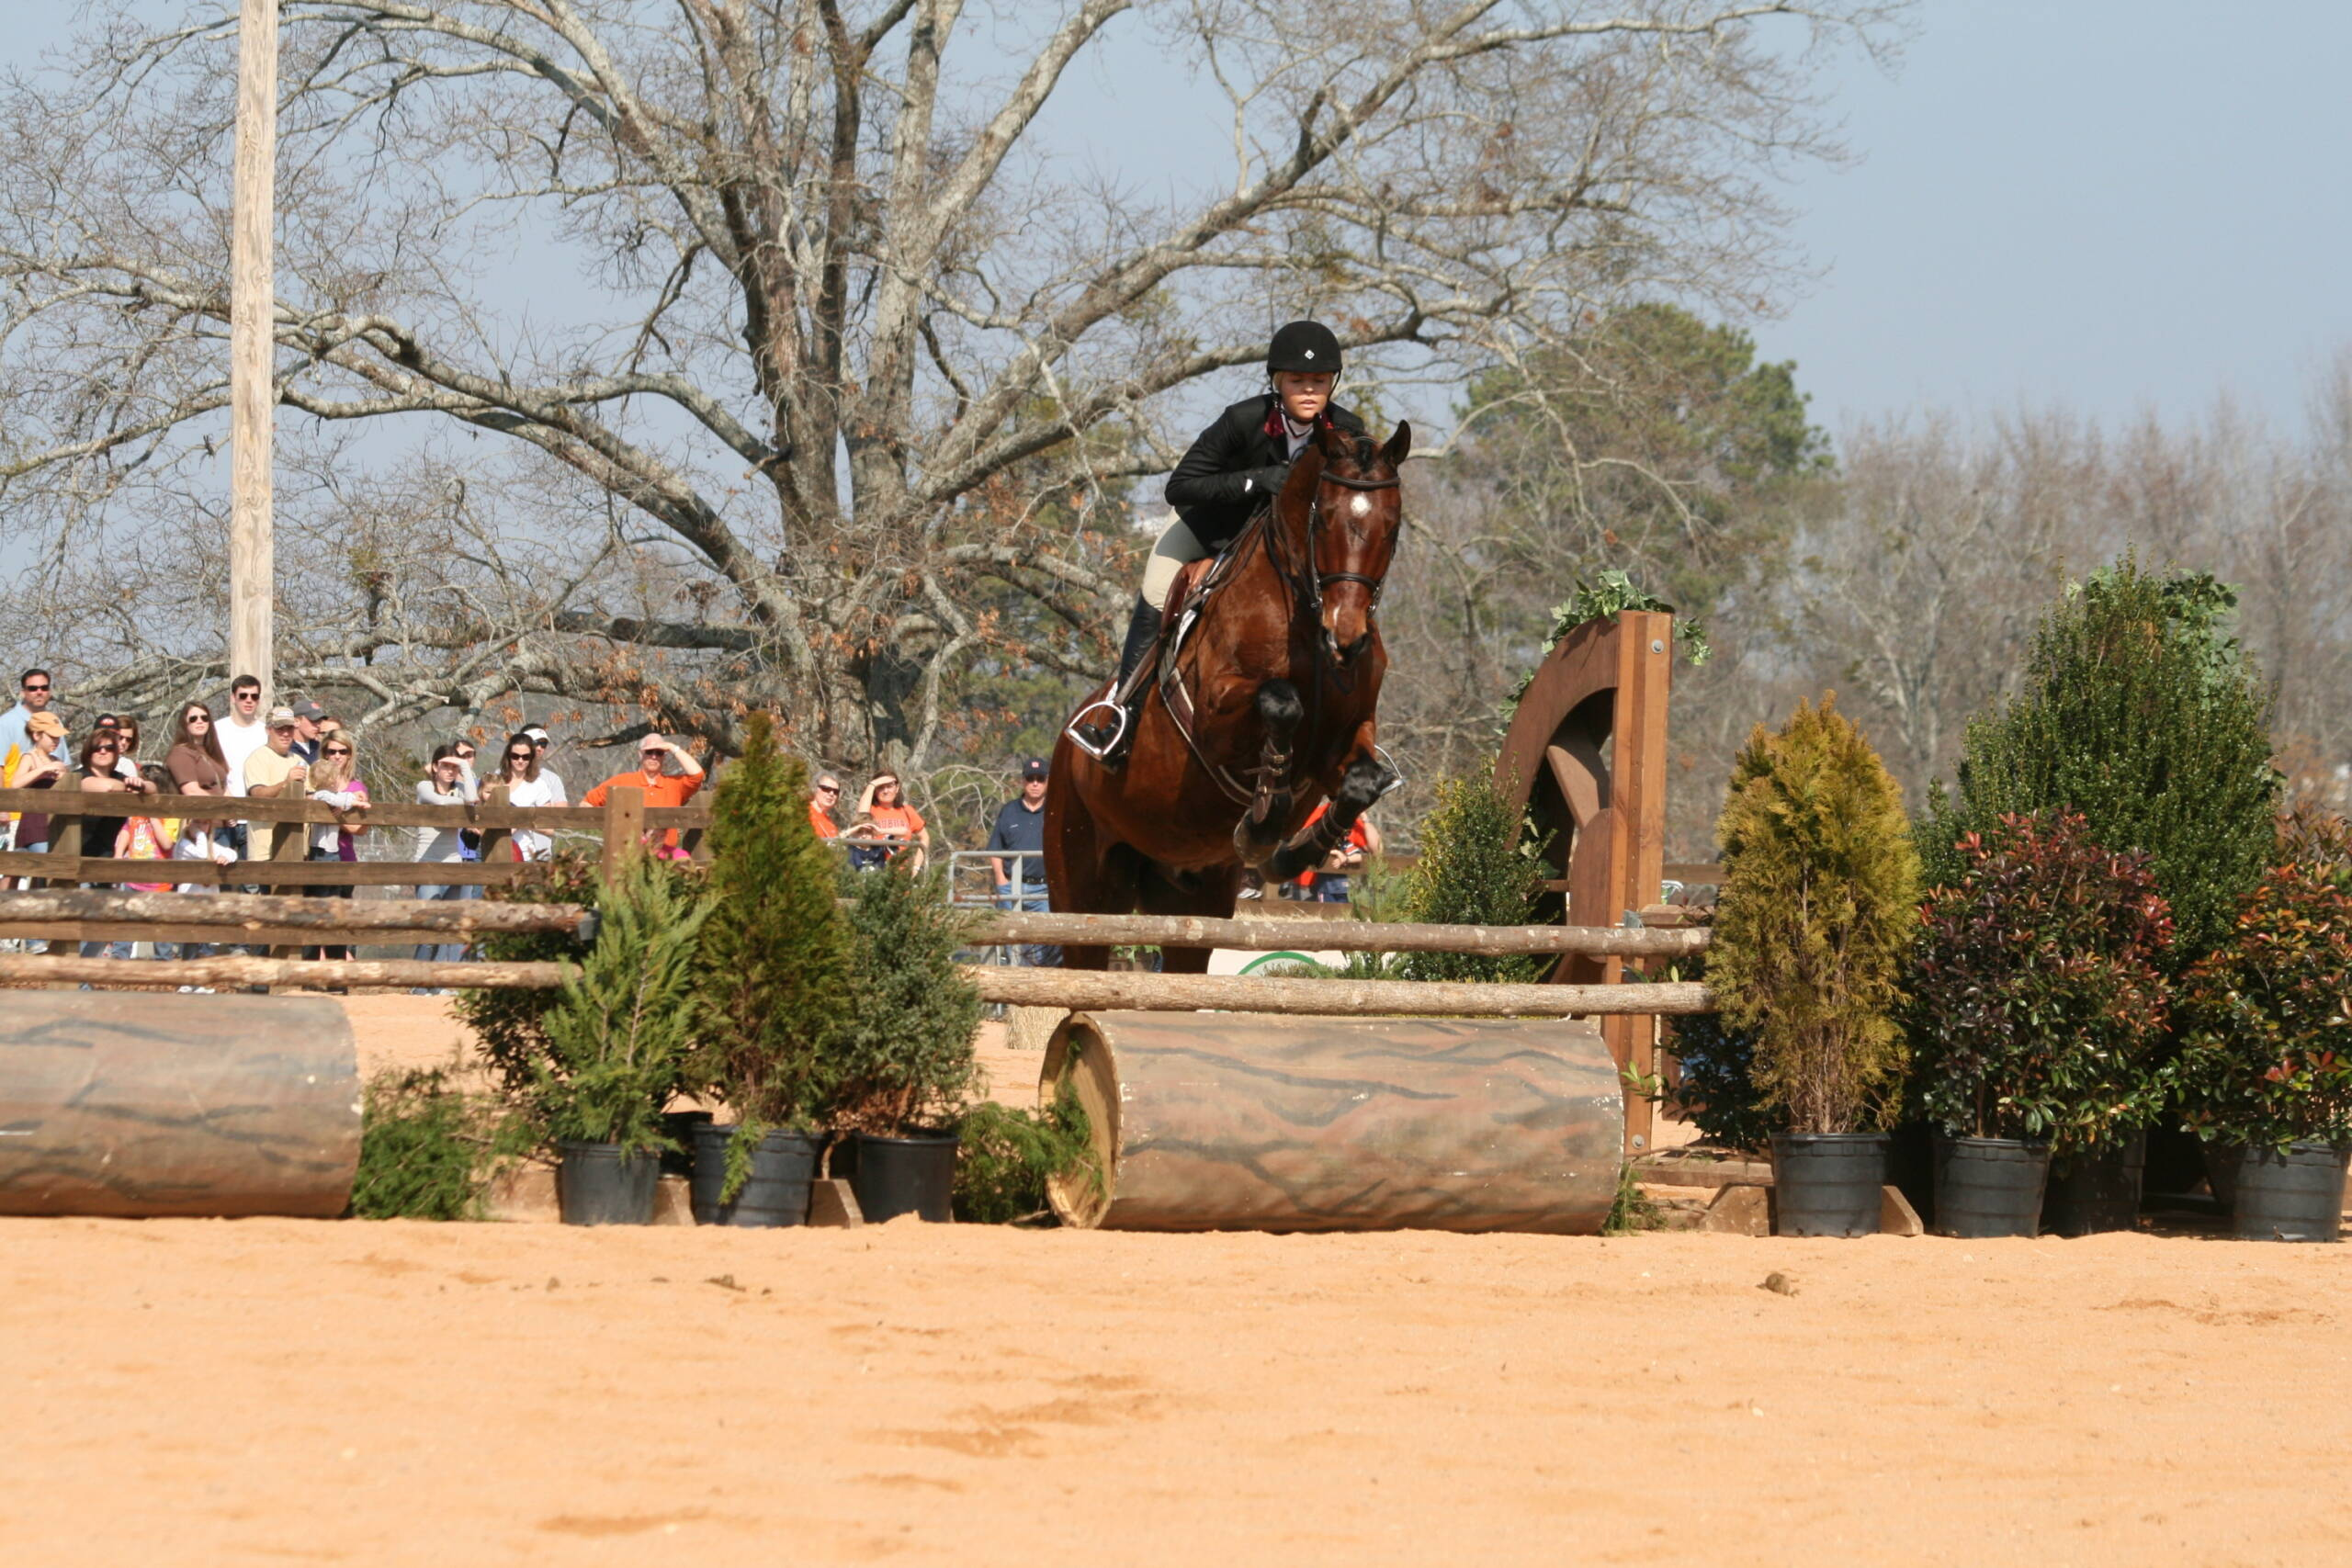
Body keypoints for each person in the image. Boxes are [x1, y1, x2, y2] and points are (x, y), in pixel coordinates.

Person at [1070, 321, 1369, 758]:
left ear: (1332, 384)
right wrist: (1256, 481)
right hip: (1211, 529)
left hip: (1296, 546)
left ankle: (1351, 727)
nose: (1309, 390)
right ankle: (1123, 717)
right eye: (1297, 381)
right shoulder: (1243, 419)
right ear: (1278, 382)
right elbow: (1181, 486)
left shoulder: (1348, 430)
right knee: (1156, 590)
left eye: (1318, 381)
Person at [163, 702, 239, 965]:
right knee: (194, 901)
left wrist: (232, 810)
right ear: (184, 723)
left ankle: (204, 970)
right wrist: (223, 806)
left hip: (219, 829)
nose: (199, 721)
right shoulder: (180, 753)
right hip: (198, 831)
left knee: (212, 904)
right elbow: (191, 790)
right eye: (192, 717)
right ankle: (188, 971)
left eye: (204, 717)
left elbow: (224, 786)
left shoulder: (211, 753)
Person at [74, 731, 156, 960]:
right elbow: (103, 787)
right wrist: (128, 787)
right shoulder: (79, 776)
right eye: (97, 748)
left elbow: (153, 789)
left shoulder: (122, 777)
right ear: (88, 752)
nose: (102, 752)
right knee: (83, 926)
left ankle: (83, 981)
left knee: (104, 928)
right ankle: (75, 982)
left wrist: (140, 784)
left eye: (109, 748)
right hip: (81, 864)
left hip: (111, 863)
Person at [413, 743, 479, 983]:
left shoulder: (461, 788)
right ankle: (418, 982)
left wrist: (463, 767)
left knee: (450, 926)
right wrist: (466, 805)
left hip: (455, 864)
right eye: (445, 765)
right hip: (427, 864)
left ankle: (440, 982)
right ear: (434, 767)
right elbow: (439, 803)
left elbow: (473, 798)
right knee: (431, 926)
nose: (450, 771)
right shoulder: (424, 786)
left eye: (454, 766)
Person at [303, 728, 370, 964]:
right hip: (314, 855)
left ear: (350, 755)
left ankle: (337, 976)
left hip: (344, 857)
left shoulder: (356, 788)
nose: (337, 756)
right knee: (314, 914)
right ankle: (312, 974)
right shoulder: (312, 783)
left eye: (343, 751)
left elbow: (360, 829)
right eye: (332, 751)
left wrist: (337, 815)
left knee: (339, 917)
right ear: (324, 753)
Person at [984, 757, 1057, 966]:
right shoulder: (1009, 811)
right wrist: (1001, 881)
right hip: (1011, 886)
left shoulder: (1055, 811)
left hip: (1044, 889)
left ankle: (1042, 994)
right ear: (1022, 781)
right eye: (1030, 778)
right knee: (1013, 943)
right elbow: (996, 848)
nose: (1035, 783)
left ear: (1047, 781)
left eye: (1040, 779)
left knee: (1045, 944)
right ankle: (1017, 996)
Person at [582, 735, 707, 856]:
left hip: (665, 857)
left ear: (664, 756)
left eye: (659, 752)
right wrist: (613, 829)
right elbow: (586, 804)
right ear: (640, 754)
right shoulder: (621, 782)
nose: (654, 756)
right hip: (629, 856)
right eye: (649, 751)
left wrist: (672, 747)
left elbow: (697, 775)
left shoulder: (674, 785)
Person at [240, 707, 311, 867]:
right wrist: (286, 783)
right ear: (268, 730)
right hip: (266, 853)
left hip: (298, 850)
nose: (286, 734)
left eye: (289, 728)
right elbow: (257, 794)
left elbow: (311, 797)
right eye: (280, 729)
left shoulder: (300, 761)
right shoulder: (257, 758)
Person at [1291, 801, 1382, 903]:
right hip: (1304, 885)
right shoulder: (1314, 813)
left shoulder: (1353, 823)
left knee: (1335, 914)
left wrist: (1366, 819)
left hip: (1337, 886)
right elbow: (1296, 842)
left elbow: (1376, 851)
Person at [492, 733, 563, 860]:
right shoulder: (496, 780)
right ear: (508, 756)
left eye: (525, 757)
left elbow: (549, 829)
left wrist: (521, 822)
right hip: (494, 851)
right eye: (515, 756)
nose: (520, 760)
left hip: (524, 855)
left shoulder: (538, 785)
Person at [851, 772, 928, 872]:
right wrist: (872, 785)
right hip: (876, 871)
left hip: (902, 874)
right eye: (881, 787)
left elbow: (925, 838)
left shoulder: (907, 811)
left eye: (890, 786)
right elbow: (861, 816)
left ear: (897, 788)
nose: (885, 791)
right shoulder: (871, 810)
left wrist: (916, 867)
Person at [0, 668, 59, 766]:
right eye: (33, 688)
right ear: (23, 692)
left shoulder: (56, 721)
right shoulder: (5, 723)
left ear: (49, 691)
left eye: (44, 688)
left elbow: (64, 763)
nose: (39, 692)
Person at [522, 725, 568, 803]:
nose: (539, 748)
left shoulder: (552, 779)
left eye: (543, 744)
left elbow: (561, 811)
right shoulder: (502, 775)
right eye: (535, 743)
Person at [288, 698, 328, 763]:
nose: (318, 725)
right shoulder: (286, 749)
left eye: (319, 721)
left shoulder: (321, 748)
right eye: (314, 720)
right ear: (296, 721)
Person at [808, 773, 842, 840]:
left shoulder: (830, 824)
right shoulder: (804, 812)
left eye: (836, 792)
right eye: (826, 789)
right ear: (815, 788)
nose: (831, 794)